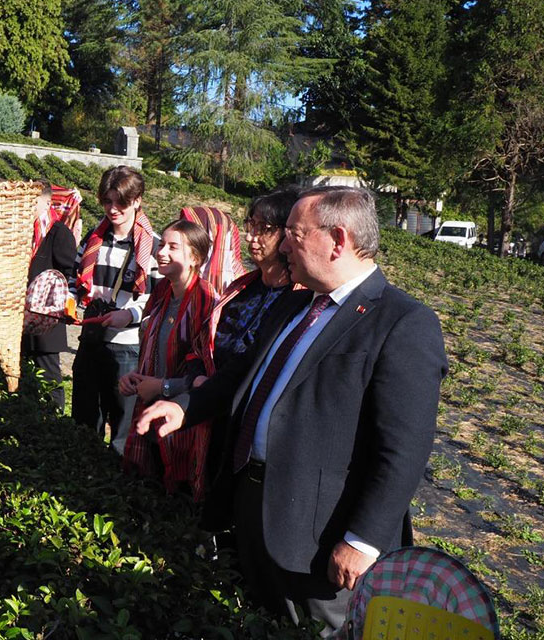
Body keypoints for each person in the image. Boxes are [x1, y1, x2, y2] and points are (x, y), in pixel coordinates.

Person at [133, 186, 447, 635]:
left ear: (338, 240)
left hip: (318, 536)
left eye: (294, 234)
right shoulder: (297, 303)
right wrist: (186, 406)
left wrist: (363, 540)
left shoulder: (401, 322)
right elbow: (241, 374)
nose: (282, 245)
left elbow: (404, 449)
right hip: (253, 505)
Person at [119, 220, 217, 497]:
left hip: (182, 423)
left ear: (195, 258)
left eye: (173, 247)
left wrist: (162, 387)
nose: (161, 252)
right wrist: (135, 378)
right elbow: (153, 348)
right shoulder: (162, 293)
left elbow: (207, 373)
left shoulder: (205, 300)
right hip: (149, 410)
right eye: (162, 245)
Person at [73, 165, 160, 455]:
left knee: (123, 425)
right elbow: (76, 278)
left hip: (126, 346)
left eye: (120, 202)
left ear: (137, 201)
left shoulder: (152, 247)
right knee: (85, 419)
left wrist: (130, 315)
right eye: (107, 201)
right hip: (92, 338)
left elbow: (156, 299)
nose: (113, 209)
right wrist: (68, 303)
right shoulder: (93, 239)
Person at [208, 188, 301, 376]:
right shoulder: (241, 289)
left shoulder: (300, 300)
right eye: (251, 225)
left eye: (264, 229)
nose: (250, 237)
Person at [23, 183, 80, 409]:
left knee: (49, 376)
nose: (28, 207)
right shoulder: (25, 229)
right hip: (24, 315)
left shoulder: (58, 232)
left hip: (47, 319)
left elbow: (69, 273)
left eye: (32, 202)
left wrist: (48, 295)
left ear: (47, 202)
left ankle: (53, 417)